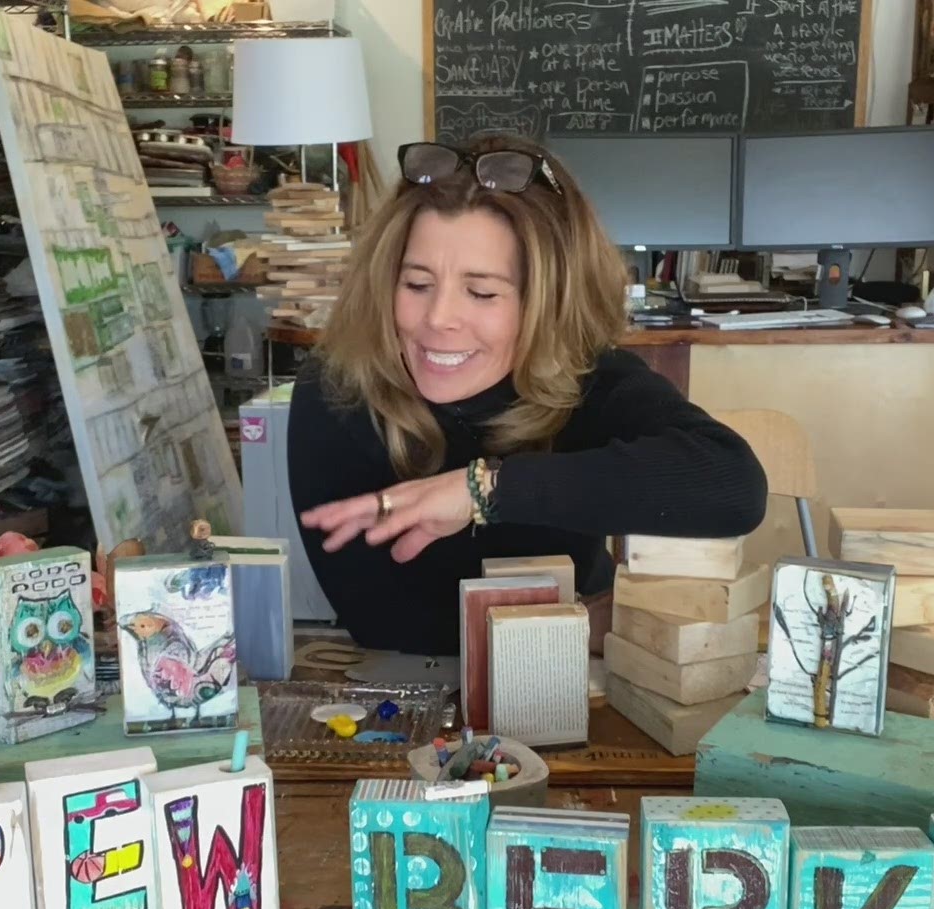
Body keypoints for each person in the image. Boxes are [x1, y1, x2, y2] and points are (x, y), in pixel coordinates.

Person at [290, 136, 768, 656]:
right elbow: (387, 622)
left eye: (482, 293)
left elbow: (733, 484)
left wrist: (483, 491)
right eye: (417, 284)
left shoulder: (587, 377)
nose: (437, 320)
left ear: (549, 300)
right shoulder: (336, 391)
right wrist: (580, 622)